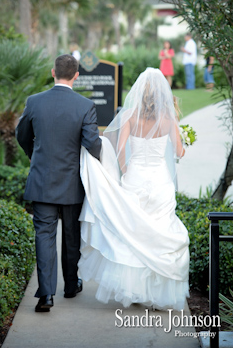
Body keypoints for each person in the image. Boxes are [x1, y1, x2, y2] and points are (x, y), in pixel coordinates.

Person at [78, 68, 189, 310]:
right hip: (160, 181)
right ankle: (155, 292)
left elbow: (118, 148)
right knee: (158, 233)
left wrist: (126, 169)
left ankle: (134, 290)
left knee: (133, 233)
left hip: (135, 178)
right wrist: (185, 140)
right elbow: (179, 152)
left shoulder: (129, 116)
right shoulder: (169, 119)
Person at [16, 54, 102, 313]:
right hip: (73, 183)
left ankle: (46, 295)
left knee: (44, 235)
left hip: (41, 181)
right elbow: (93, 144)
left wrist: (35, 154)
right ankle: (70, 285)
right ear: (77, 75)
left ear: (53, 72)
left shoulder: (34, 102)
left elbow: (22, 136)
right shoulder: (85, 106)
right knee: (71, 236)